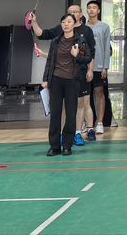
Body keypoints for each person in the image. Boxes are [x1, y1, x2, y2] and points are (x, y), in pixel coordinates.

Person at [32, 12, 92, 156]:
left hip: (72, 81)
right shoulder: (55, 41)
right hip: (56, 81)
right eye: (64, 22)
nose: (66, 24)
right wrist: (45, 79)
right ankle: (54, 146)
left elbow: (87, 58)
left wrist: (77, 55)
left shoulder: (80, 40)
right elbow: (50, 61)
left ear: (74, 24)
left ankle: (67, 145)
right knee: (55, 114)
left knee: (71, 114)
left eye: (69, 21)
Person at [68, 4, 96, 146]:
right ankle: (70, 132)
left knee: (85, 102)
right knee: (70, 104)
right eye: (70, 12)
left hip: (82, 71)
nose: (73, 13)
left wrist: (90, 70)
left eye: (76, 11)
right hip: (67, 73)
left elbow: (91, 53)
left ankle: (90, 129)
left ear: (80, 14)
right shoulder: (65, 29)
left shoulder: (86, 30)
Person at [86, 0, 111, 136]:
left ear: (98, 10)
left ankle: (100, 123)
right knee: (85, 96)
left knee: (99, 93)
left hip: (99, 66)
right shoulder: (83, 27)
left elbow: (107, 47)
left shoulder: (104, 27)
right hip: (85, 66)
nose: (91, 10)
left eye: (94, 8)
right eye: (89, 7)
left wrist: (105, 66)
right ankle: (88, 123)